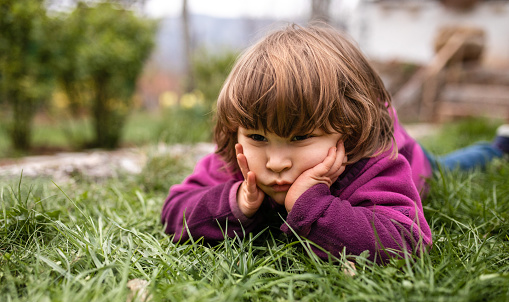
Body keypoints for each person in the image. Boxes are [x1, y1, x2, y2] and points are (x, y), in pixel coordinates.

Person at [161, 24, 509, 264]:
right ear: (235, 129)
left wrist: (311, 205)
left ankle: (495, 148)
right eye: (257, 137)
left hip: (417, 163)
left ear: (348, 130)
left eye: (300, 137)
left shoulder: (375, 162)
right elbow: (174, 210)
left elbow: (407, 242)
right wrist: (235, 201)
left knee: (449, 166)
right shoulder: (236, 159)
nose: (276, 161)